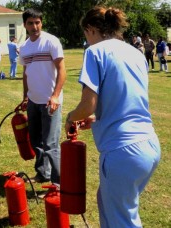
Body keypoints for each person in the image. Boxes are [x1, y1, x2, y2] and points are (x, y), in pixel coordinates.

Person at [65, 6, 160, 227]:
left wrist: (71, 117)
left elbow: (88, 104)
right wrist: (99, 120)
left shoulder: (94, 52)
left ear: (90, 30)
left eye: (85, 35)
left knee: (122, 220)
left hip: (123, 151)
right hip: (148, 145)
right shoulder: (136, 53)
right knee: (111, 204)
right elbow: (127, 98)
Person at [19, 9, 66, 188]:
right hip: (33, 101)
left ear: (42, 23)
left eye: (37, 22)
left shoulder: (51, 41)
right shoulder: (24, 47)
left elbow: (62, 70)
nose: (35, 26)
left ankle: (58, 184)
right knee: (35, 140)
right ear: (25, 25)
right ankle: (42, 173)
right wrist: (25, 97)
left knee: (51, 144)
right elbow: (26, 73)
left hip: (50, 102)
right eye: (30, 23)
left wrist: (55, 96)